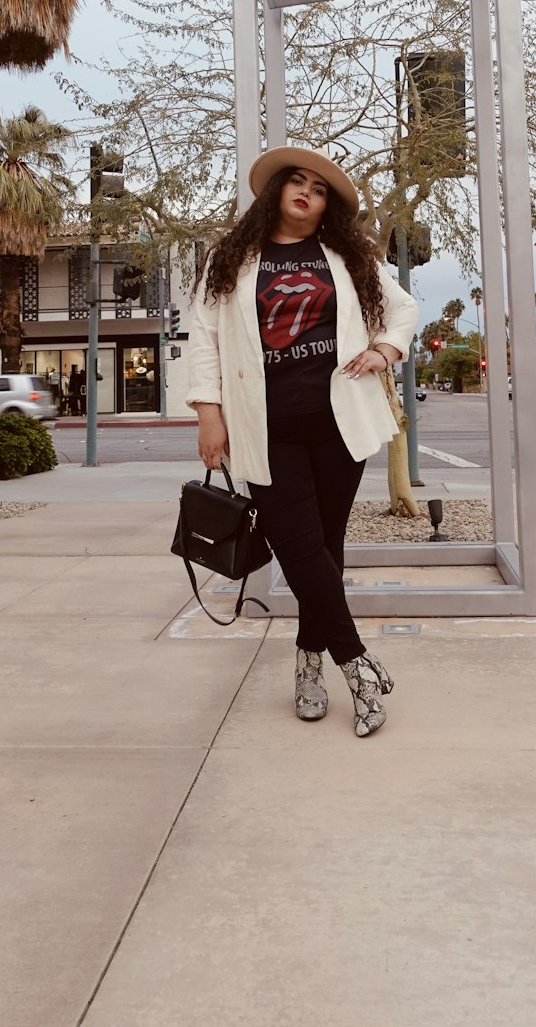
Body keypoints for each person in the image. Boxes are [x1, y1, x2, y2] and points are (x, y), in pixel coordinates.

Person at [186, 148, 418, 738]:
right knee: (299, 547)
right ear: (276, 193)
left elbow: (403, 310)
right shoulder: (230, 260)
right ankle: (358, 666)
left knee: (324, 551)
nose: (306, 192)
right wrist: (208, 416)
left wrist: (385, 350)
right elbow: (206, 340)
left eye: (318, 189)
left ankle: (308, 666)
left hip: (339, 423)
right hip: (265, 428)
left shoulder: (347, 255)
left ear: (325, 210)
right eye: (297, 181)